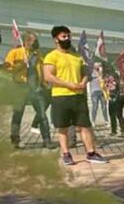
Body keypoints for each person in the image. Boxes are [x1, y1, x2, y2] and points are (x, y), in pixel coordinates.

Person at [42, 25, 108, 165]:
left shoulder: (77, 56)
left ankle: (91, 153)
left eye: (69, 36)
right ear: (56, 39)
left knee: (85, 126)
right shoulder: (51, 56)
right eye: (63, 36)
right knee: (63, 127)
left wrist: (83, 82)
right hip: (61, 96)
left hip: (78, 96)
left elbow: (85, 72)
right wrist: (68, 84)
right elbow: (48, 76)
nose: (67, 39)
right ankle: (66, 154)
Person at [6, 31, 52, 149]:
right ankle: (15, 140)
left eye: (36, 41)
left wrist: (45, 83)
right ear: (26, 41)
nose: (36, 43)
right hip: (20, 86)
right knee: (17, 114)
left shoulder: (38, 55)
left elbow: (41, 70)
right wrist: (21, 64)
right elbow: (7, 69)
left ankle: (47, 140)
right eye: (34, 41)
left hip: (35, 88)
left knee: (42, 114)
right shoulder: (15, 53)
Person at [103, 64, 124, 137]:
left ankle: (116, 131)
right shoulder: (117, 75)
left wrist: (104, 83)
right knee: (118, 114)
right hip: (120, 97)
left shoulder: (110, 77)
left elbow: (110, 87)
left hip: (115, 97)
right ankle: (121, 131)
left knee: (114, 114)